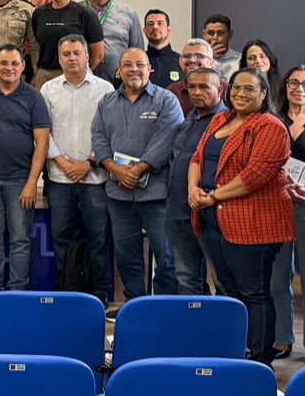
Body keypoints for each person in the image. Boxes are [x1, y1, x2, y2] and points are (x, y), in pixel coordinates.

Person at [189, 67, 293, 365]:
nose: (241, 94)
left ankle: (260, 359)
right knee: (229, 289)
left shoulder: (271, 126)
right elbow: (197, 157)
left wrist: (212, 196)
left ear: (263, 94)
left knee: (254, 292)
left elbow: (256, 175)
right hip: (212, 220)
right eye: (236, 88)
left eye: (250, 89)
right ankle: (238, 351)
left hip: (253, 223)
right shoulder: (221, 119)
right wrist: (192, 190)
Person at [93, 48, 184, 302]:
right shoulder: (107, 102)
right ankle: (135, 304)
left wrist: (140, 168)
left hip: (156, 194)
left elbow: (167, 138)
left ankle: (164, 306)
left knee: (166, 256)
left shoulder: (166, 100)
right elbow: (98, 139)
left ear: (150, 69)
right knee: (127, 255)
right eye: (128, 65)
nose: (134, 70)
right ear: (119, 71)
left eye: (140, 65)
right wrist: (116, 170)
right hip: (118, 194)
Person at [40, 34, 115, 300]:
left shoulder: (105, 89)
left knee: (99, 239)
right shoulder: (48, 89)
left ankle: (100, 293)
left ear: (87, 55)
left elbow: (110, 132)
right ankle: (66, 292)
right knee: (61, 239)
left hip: (94, 178)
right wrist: (61, 161)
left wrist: (89, 162)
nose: (72, 58)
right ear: (59, 58)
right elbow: (42, 132)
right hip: (60, 178)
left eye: (77, 53)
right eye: (66, 54)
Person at [0, 45, 50, 294]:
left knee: (20, 240)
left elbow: (42, 142)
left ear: (23, 66)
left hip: (21, 181)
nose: (9, 68)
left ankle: (17, 291)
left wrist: (33, 182)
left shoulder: (33, 97)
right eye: (4, 63)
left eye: (14, 64)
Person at [273, 64, 305, 362]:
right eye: (293, 83)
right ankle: (282, 339)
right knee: (278, 277)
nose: (299, 89)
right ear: (285, 87)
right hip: (276, 205)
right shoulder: (272, 120)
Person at [167, 67, 225, 295]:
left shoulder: (226, 122)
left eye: (204, 87)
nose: (196, 92)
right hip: (180, 211)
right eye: (192, 87)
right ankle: (192, 329)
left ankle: (222, 329)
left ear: (219, 89)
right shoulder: (189, 118)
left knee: (222, 279)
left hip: (210, 214)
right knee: (185, 278)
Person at [29, 0, 103, 89]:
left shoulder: (85, 14)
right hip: (45, 76)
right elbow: (36, 45)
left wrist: (79, 70)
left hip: (75, 76)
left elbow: (99, 54)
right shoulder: (39, 14)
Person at [82, 0, 145, 82]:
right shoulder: (76, 11)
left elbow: (137, 52)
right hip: (84, 82)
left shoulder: (128, 13)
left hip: (120, 83)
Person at [168, 38, 226, 112]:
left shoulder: (226, 89)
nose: (192, 60)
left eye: (199, 56)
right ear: (180, 61)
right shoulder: (172, 91)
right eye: (187, 56)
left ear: (211, 62)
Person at [143, 10, 182, 88]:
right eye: (150, 24)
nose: (155, 27)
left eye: (160, 23)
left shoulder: (181, 62)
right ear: (144, 31)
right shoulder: (138, 63)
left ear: (169, 30)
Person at [203, 14, 240, 80]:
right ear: (204, 35)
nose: (215, 37)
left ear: (230, 34)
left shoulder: (240, 60)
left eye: (220, 33)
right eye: (210, 33)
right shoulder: (196, 61)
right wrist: (209, 56)